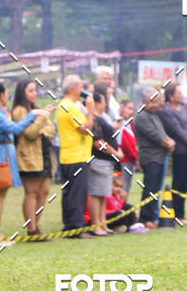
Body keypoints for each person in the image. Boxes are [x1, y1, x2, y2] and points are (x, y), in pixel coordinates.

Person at [0, 81, 50, 245]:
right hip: (0, 157)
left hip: (2, 154)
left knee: (0, 196)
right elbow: (16, 129)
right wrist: (33, 115)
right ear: (1, 95)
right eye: (6, 92)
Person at [11, 78, 56, 239]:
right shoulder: (19, 111)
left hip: (43, 154)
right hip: (28, 156)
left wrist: (41, 128)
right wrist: (42, 118)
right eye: (30, 91)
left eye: (35, 90)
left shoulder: (36, 109)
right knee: (31, 192)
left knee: (44, 191)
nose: (34, 93)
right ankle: (31, 229)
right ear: (22, 92)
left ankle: (37, 225)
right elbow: (29, 133)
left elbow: (51, 128)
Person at [55, 75, 95, 238]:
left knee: (69, 193)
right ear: (73, 88)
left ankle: (70, 225)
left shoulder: (63, 105)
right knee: (77, 194)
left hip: (68, 155)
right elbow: (85, 129)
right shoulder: (70, 107)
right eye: (80, 87)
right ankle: (76, 227)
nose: (82, 91)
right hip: (76, 156)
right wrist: (91, 110)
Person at [134, 88, 175, 229]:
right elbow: (154, 135)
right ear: (143, 102)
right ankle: (146, 218)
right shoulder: (141, 116)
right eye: (151, 102)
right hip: (150, 157)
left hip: (160, 156)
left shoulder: (155, 115)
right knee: (150, 188)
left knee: (156, 187)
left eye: (156, 101)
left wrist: (170, 141)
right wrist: (168, 143)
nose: (154, 105)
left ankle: (152, 216)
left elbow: (162, 133)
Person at [161, 84, 187, 224]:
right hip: (180, 150)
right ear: (171, 95)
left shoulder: (183, 108)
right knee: (178, 182)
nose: (181, 95)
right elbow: (176, 128)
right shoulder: (167, 111)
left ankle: (181, 214)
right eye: (179, 93)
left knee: (184, 183)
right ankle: (176, 215)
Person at [89, 91, 124, 235]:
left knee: (103, 194)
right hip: (99, 161)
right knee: (96, 194)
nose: (105, 104)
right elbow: (98, 142)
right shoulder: (94, 119)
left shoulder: (101, 118)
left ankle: (103, 223)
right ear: (97, 103)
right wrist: (114, 152)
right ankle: (95, 225)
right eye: (104, 101)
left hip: (107, 162)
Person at [118, 99, 138, 196]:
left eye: (132, 109)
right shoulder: (119, 122)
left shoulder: (130, 123)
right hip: (124, 159)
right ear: (122, 107)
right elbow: (125, 144)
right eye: (129, 108)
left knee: (127, 185)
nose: (131, 111)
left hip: (130, 159)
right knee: (122, 185)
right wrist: (135, 157)